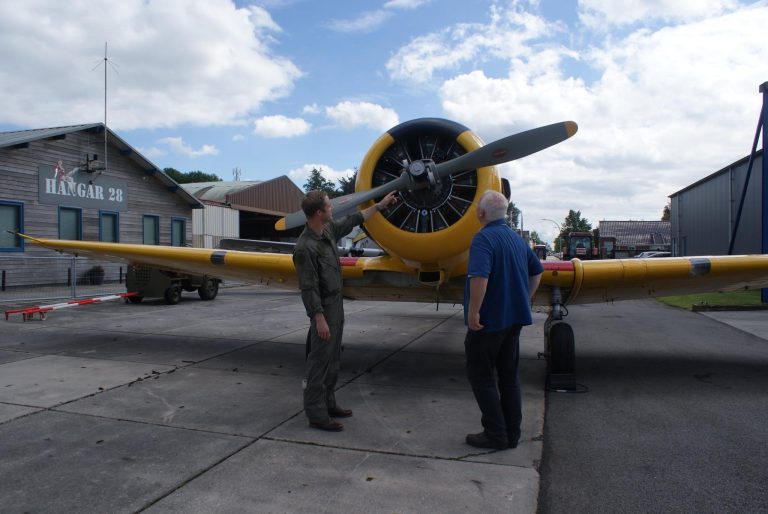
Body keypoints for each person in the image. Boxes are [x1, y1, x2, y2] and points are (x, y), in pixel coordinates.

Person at [293, 189, 398, 431]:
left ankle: (329, 404)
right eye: (329, 206)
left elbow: (354, 220)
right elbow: (308, 288)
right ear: (319, 213)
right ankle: (316, 415)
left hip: (336, 308)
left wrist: (380, 205)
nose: (333, 208)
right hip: (324, 311)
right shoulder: (305, 247)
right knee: (318, 362)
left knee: (333, 359)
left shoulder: (327, 231)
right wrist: (318, 319)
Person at [463, 190, 543, 449]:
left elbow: (479, 277)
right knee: (509, 378)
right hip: (514, 321)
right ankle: (512, 434)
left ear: (482, 213)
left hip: (488, 322)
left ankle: (495, 434)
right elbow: (537, 271)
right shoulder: (517, 240)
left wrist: (474, 311)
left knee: (482, 377)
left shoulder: (483, 239)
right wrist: (524, 297)